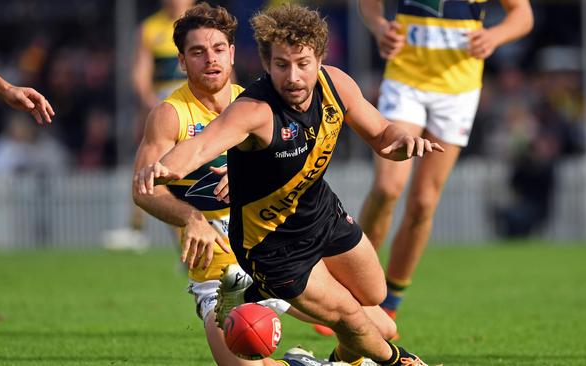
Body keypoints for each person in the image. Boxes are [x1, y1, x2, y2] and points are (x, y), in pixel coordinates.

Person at [135, 4, 444, 365]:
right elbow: (193, 152)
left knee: (377, 318)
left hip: (297, 223)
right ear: (182, 61)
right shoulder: (177, 113)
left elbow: (379, 132)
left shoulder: (251, 97)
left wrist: (401, 139)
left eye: (218, 49)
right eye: (198, 52)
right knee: (271, 344)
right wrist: (185, 208)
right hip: (231, 264)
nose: (211, 60)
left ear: (233, 53)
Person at [356, 0, 534, 330]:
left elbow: (523, 15)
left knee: (423, 202)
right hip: (405, 81)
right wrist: (380, 26)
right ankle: (352, 287)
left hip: (458, 90)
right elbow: (368, 4)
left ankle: (390, 302)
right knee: (387, 188)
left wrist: (494, 37)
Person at [104, 0, 195, 251]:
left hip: (199, 111)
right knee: (155, 171)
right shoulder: (150, 29)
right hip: (167, 112)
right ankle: (139, 229)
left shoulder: (204, 21)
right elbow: (140, 74)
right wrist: (151, 104)